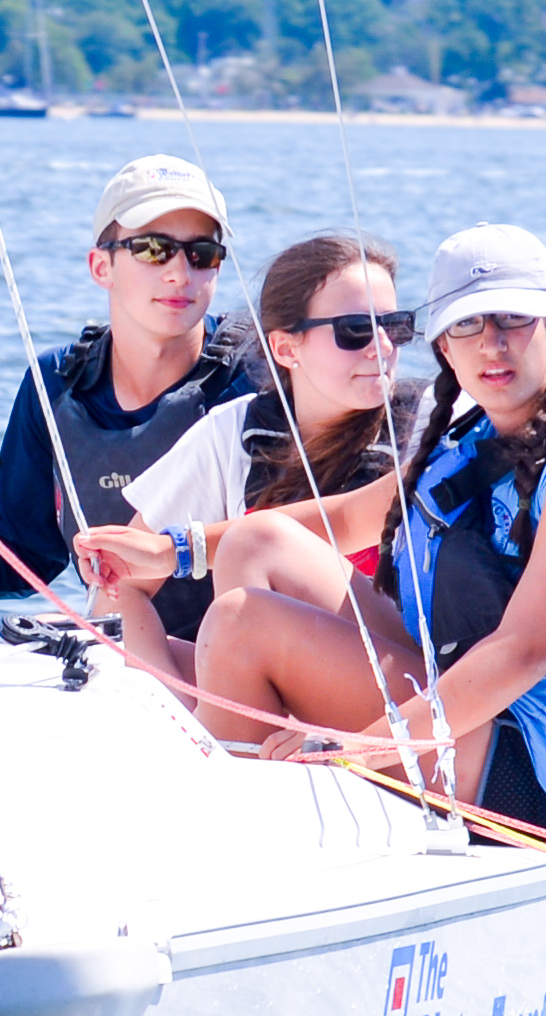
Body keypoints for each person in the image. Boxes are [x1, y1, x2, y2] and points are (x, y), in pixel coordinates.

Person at [180, 222, 546, 837]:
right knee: (256, 542)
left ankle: (241, 831)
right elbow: (346, 517)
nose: (492, 345)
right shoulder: (477, 434)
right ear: (443, 347)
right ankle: (267, 775)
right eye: (468, 324)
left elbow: (524, 652)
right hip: (472, 702)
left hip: (540, 760)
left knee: (243, 624)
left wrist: (355, 748)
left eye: (512, 319)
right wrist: (175, 549)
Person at [0, 156, 258, 635]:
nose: (181, 273)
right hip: (120, 653)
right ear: (101, 266)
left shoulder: (262, 380)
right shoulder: (54, 384)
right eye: (154, 250)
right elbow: (26, 555)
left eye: (202, 253)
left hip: (245, 657)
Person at [67, 230, 422, 690]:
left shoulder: (431, 426)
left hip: (398, 685)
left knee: (250, 548)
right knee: (161, 645)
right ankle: (220, 721)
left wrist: (176, 551)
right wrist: (171, 696)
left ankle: (229, 724)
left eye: (395, 326)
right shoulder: (232, 433)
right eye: (354, 330)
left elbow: (350, 519)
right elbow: (123, 585)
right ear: (286, 348)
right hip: (274, 687)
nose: (384, 346)